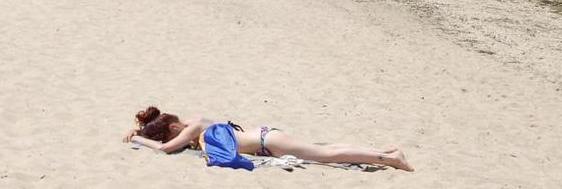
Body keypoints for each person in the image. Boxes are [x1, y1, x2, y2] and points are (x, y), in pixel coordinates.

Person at [122, 106, 414, 172]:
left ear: (172, 128)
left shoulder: (193, 128)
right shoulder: (198, 122)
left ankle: (389, 159)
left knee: (329, 155)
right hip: (266, 137)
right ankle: (383, 152)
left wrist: (138, 138)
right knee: (328, 150)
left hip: (268, 142)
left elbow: (165, 149)